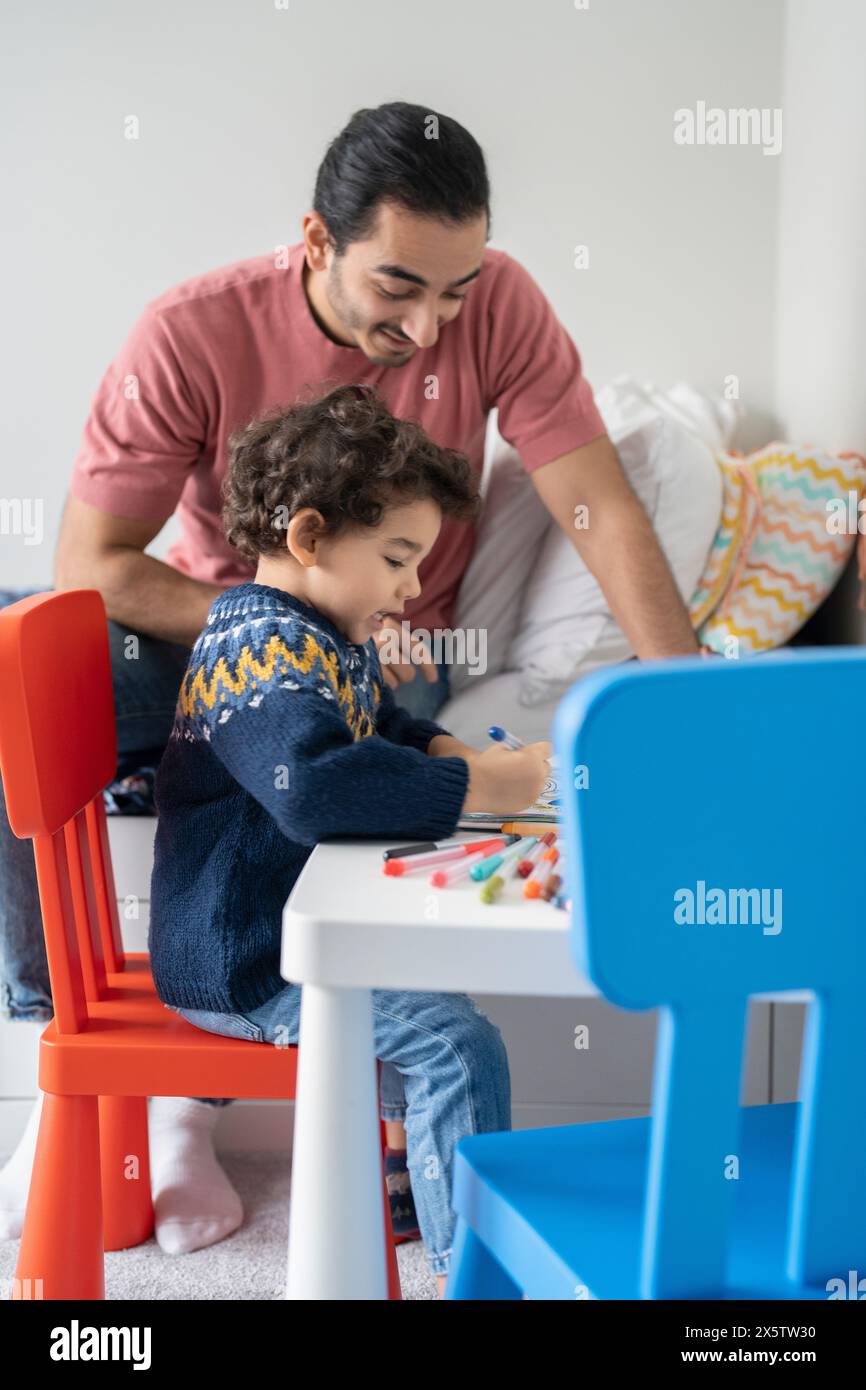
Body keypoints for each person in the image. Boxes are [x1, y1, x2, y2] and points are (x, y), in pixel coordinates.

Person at [0, 99, 698, 1256]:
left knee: (335, 763)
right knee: (24, 654)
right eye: (397, 290)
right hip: (213, 620)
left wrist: (683, 702)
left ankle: (200, 1093)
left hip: (368, 647)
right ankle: (64, 1068)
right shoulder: (190, 329)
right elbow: (95, 567)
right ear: (317, 245)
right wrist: (282, 625)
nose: (431, 327)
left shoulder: (501, 304)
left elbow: (593, 501)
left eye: (456, 292)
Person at [149, 381, 552, 1296]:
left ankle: (430, 1197)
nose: (414, 586)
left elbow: (366, 726)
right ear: (309, 538)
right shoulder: (257, 648)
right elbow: (317, 786)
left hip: (273, 940)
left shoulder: (315, 634)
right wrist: (475, 782)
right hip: (244, 963)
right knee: (454, 1044)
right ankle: (475, 1275)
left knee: (442, 997)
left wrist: (440, 744)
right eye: (400, 557)